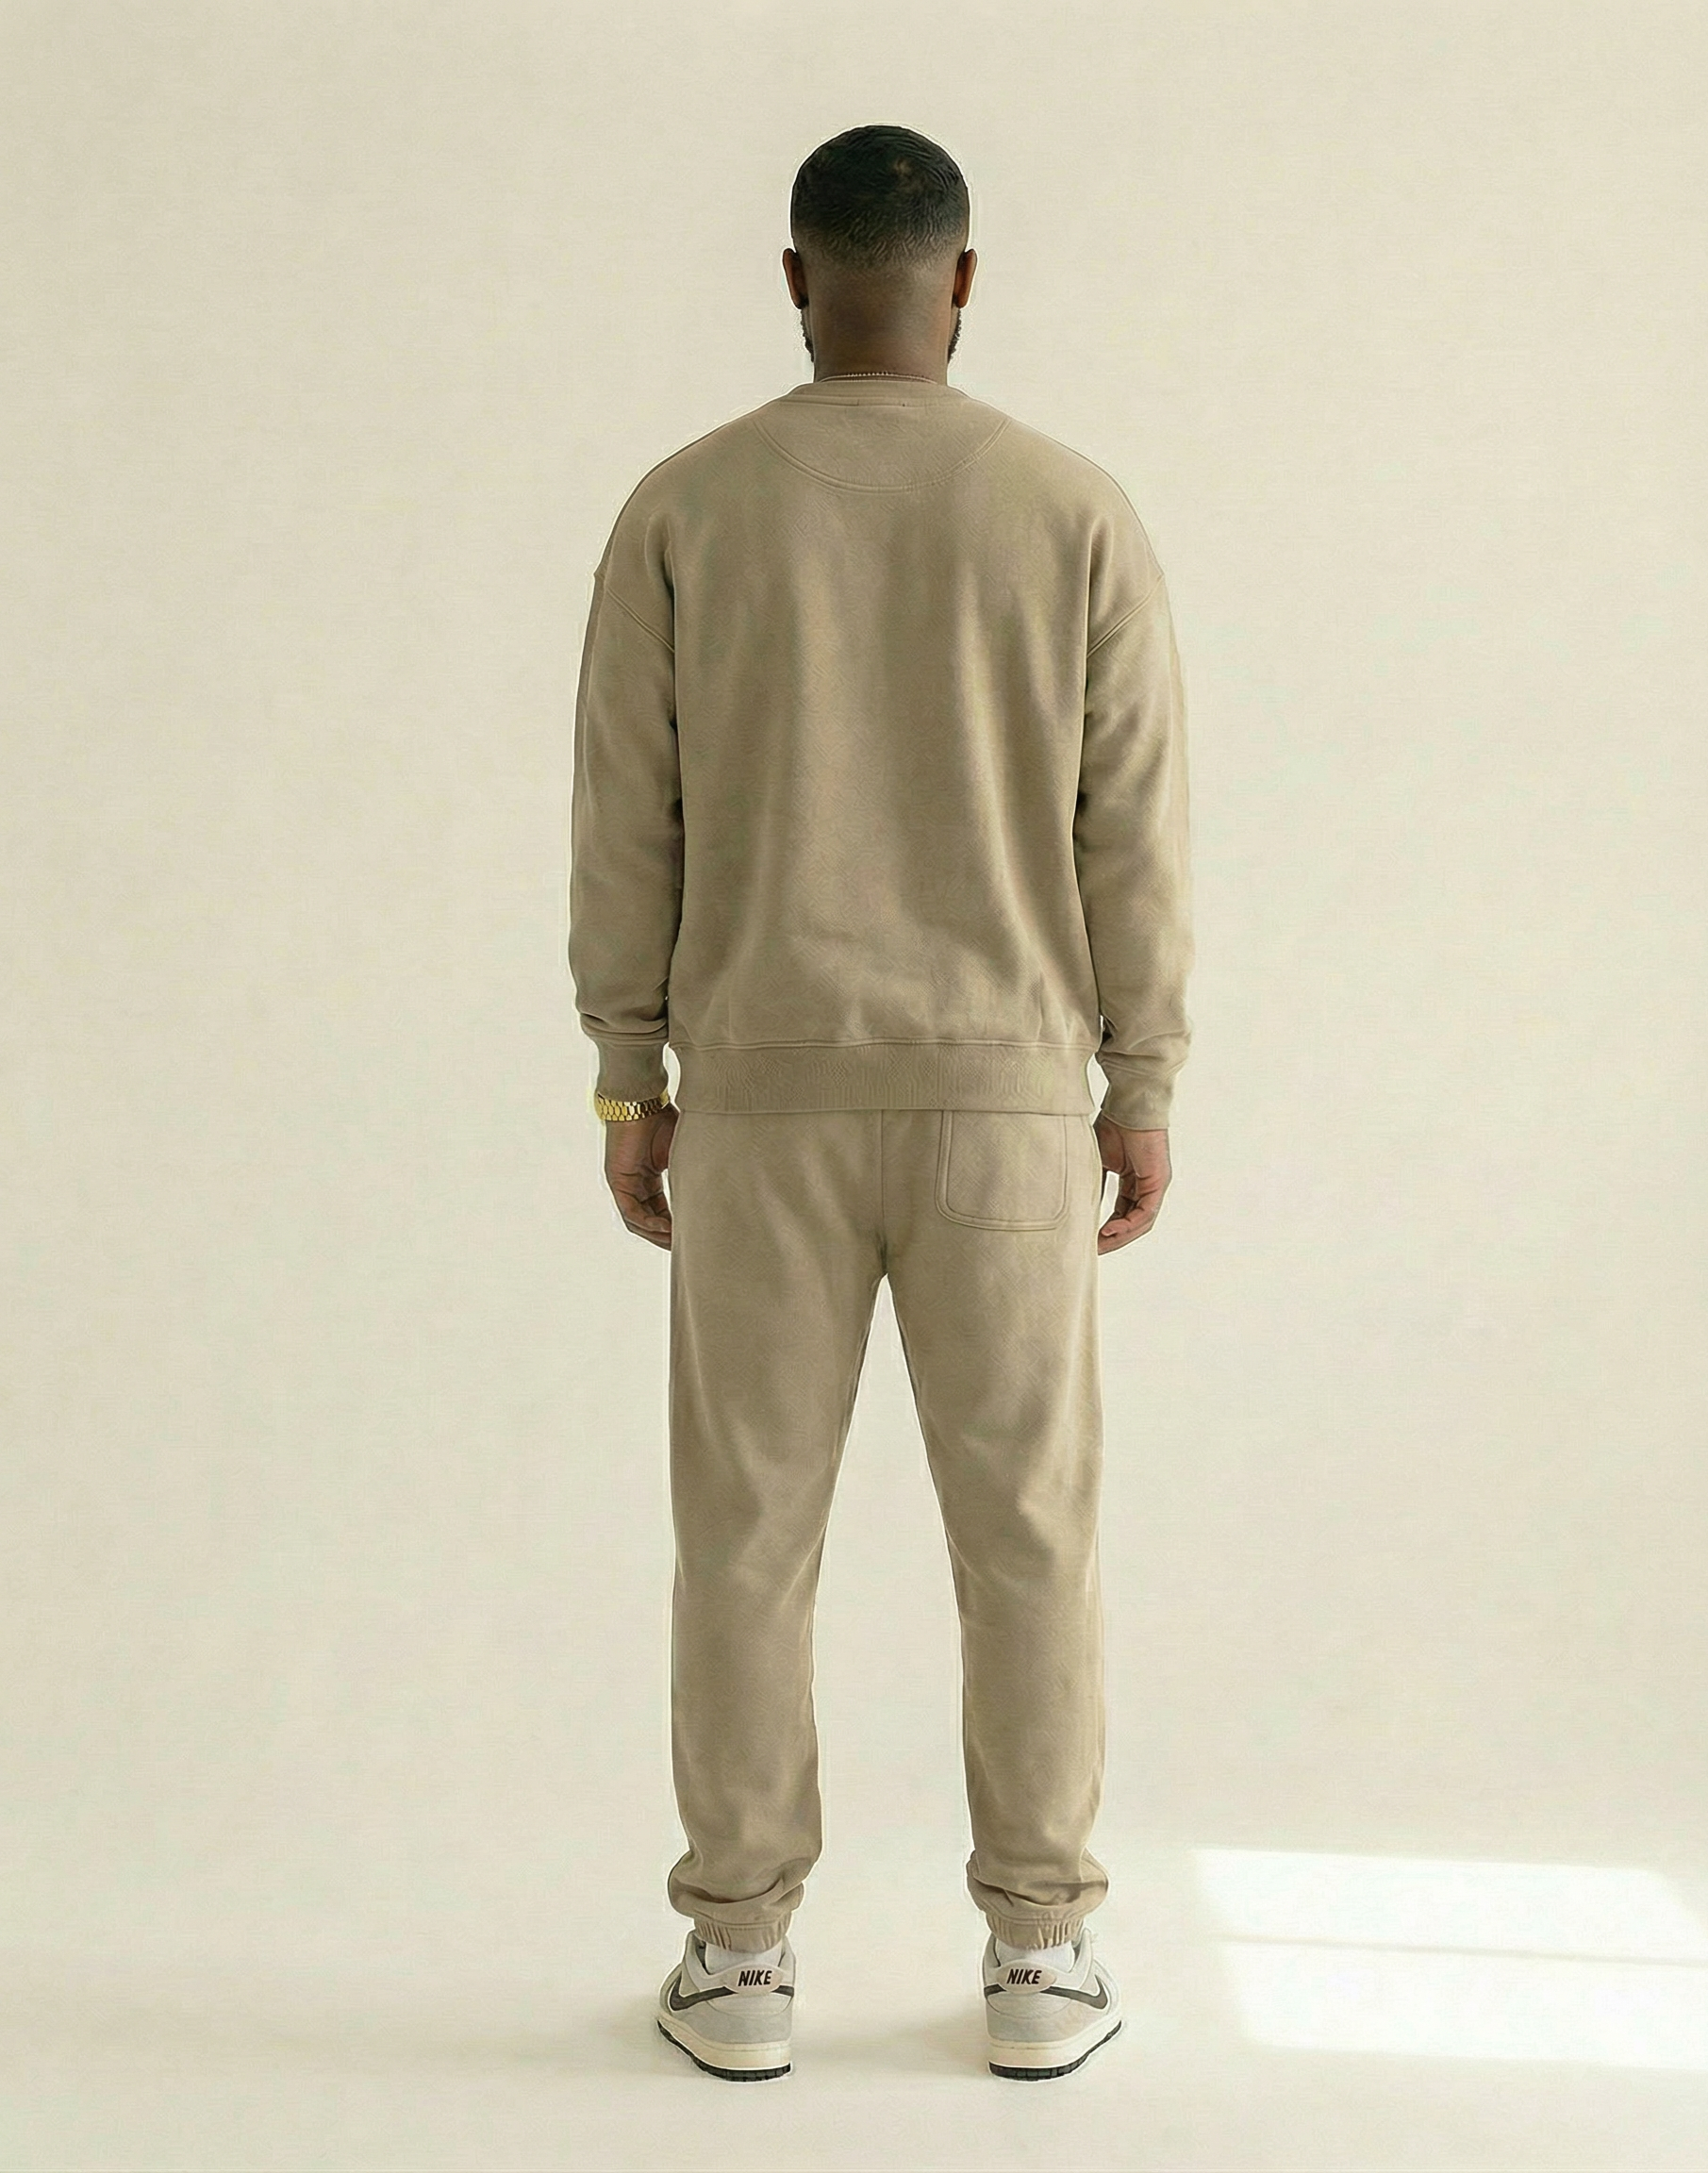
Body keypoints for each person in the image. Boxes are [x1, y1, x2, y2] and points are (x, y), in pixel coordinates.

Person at [568, 122, 1193, 2083]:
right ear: (964, 279)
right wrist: (1141, 1076)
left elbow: (627, 816)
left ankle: (741, 1957)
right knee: (1029, 1535)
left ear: (793, 278)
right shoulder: (1069, 509)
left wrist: (627, 1074)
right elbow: (1132, 827)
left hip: (760, 1103)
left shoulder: (688, 506)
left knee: (746, 1534)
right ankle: (1042, 1954)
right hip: (1007, 1106)